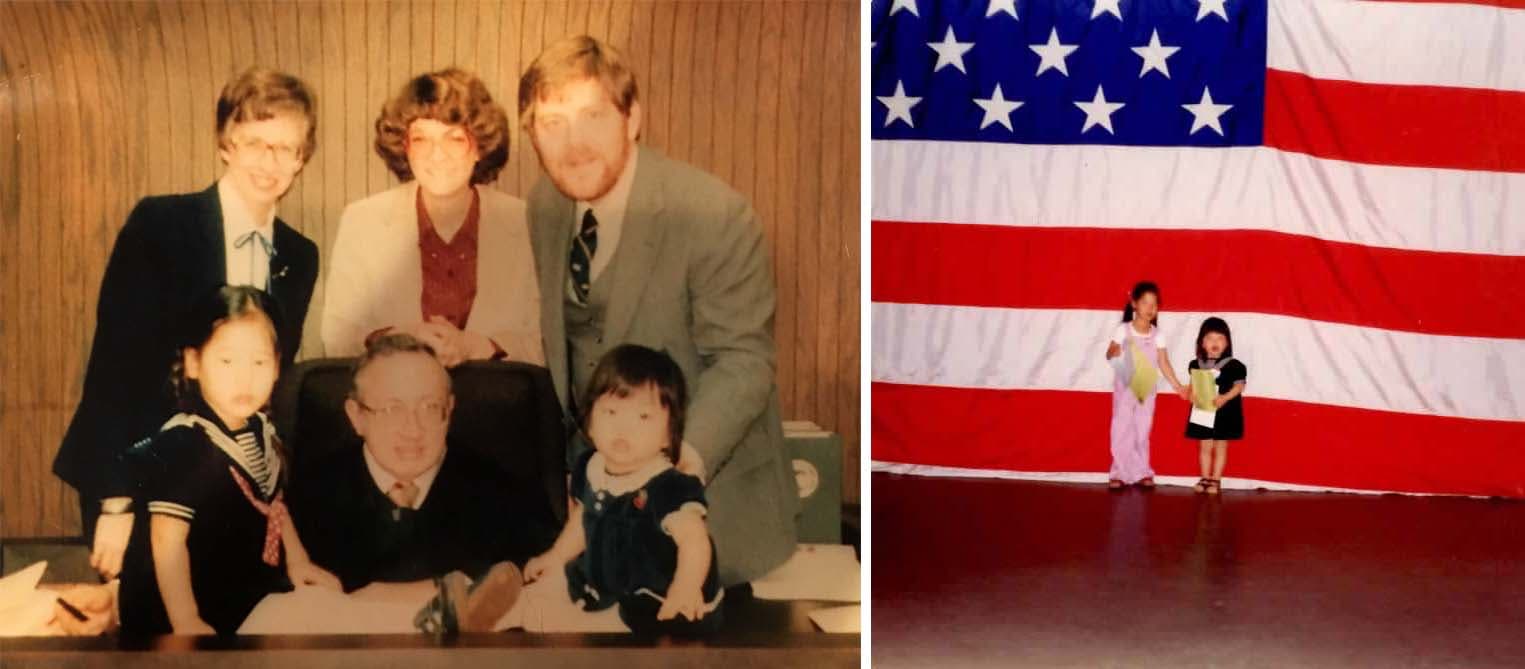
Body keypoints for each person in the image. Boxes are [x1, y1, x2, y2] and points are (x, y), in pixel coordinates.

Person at [518, 35, 797, 587]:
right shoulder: (544, 205)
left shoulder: (712, 214)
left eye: (592, 116)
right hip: (597, 522)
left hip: (714, 516)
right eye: (551, 123)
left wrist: (668, 473)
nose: (573, 144)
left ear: (633, 117)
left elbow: (744, 362)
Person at [54, 68, 321, 582]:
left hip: (231, 487)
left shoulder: (299, 256)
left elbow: (267, 391)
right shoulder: (161, 226)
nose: (270, 163)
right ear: (226, 145)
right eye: (255, 144)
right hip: (140, 479)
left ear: (302, 159)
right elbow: (116, 368)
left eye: (286, 148)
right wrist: (115, 503)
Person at [288, 334, 557, 631]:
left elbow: (540, 587)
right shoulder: (309, 493)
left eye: (429, 407)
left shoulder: (505, 491)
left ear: (449, 411)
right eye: (393, 409)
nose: (412, 430)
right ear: (357, 417)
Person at [118, 286, 339, 636]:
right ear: (193, 363)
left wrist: (298, 561)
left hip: (239, 592)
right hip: (178, 609)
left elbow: (274, 505)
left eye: (259, 362)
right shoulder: (184, 443)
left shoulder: (261, 429)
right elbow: (166, 543)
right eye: (227, 361)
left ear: (278, 366)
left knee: (326, 615)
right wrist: (186, 620)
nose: (244, 377)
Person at [322, 68, 542, 367]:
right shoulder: (362, 221)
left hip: (497, 400)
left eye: (454, 139)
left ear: (478, 147)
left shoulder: (527, 222)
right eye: (422, 139)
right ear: (405, 148)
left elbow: (547, 341)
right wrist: (399, 338)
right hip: (395, 398)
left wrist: (478, 345)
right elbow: (335, 336)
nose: (436, 155)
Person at [523, 345, 723, 635]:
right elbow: (583, 520)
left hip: (661, 593)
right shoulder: (591, 467)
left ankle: (585, 619)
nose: (623, 428)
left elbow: (695, 543)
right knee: (568, 579)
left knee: (635, 613)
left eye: (643, 417)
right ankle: (518, 605)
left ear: (670, 434)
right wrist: (556, 556)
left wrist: (686, 586)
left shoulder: (669, 487)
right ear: (589, 421)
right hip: (610, 575)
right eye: (611, 411)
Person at [1103, 281, 1189, 490]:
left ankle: (1142, 471)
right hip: (1125, 389)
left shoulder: (1157, 334)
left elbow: (1163, 363)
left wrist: (1179, 386)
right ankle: (1119, 472)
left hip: (1146, 390)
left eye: (1154, 304)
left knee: (1142, 430)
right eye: (1145, 303)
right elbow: (1110, 353)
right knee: (1121, 429)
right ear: (1134, 304)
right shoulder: (1123, 330)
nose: (1150, 308)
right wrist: (1113, 352)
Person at [1185, 317, 1247, 495]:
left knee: (1220, 446)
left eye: (1220, 338)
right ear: (1202, 343)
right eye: (1210, 338)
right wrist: (1192, 394)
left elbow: (1239, 386)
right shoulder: (1195, 364)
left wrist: (1225, 397)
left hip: (1225, 411)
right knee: (1204, 446)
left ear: (1227, 343)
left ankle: (1216, 479)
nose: (1215, 342)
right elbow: (1193, 386)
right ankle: (1204, 477)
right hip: (1203, 410)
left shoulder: (1235, 366)